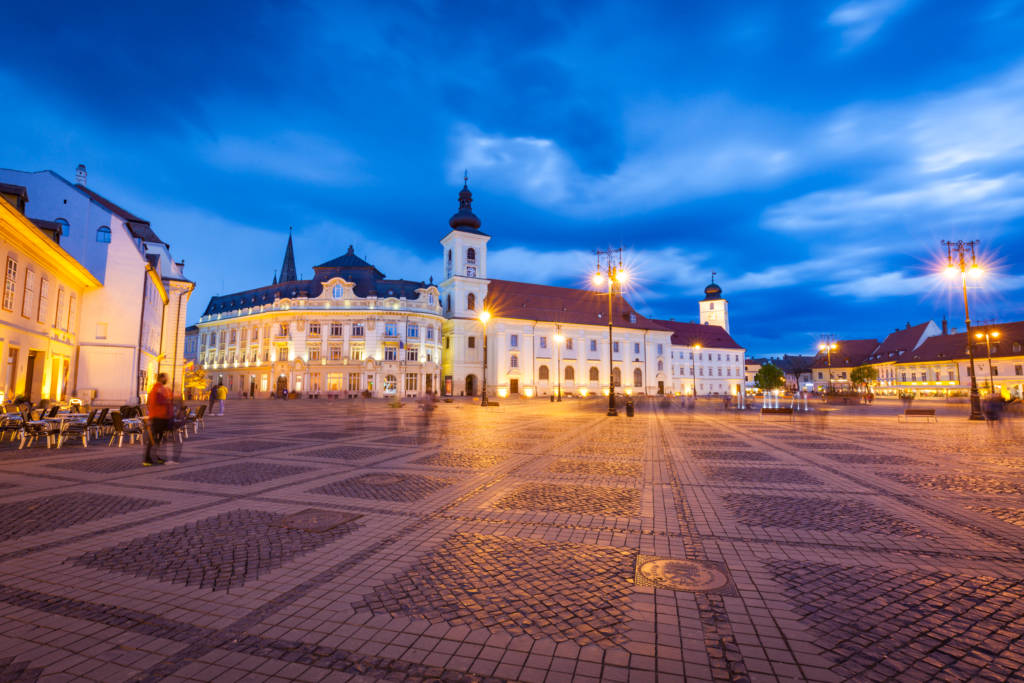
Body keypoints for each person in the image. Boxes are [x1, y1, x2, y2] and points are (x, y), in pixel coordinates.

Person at [144, 373, 171, 466]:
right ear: (161, 379)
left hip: (160, 417)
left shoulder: (157, 389)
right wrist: (166, 401)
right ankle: (147, 458)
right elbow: (158, 401)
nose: (166, 380)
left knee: (157, 438)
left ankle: (154, 456)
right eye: (165, 378)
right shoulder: (158, 389)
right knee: (154, 438)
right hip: (158, 417)